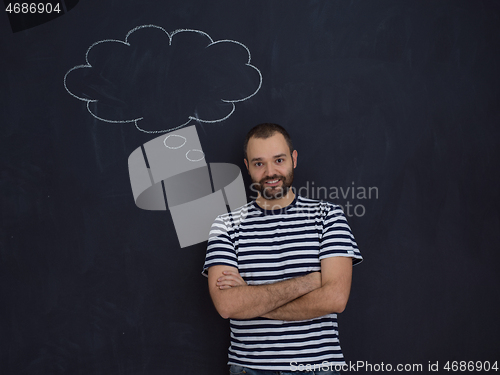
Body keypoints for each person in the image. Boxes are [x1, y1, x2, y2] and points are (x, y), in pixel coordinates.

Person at [203, 123, 362, 374]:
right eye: (259, 163)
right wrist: (308, 283)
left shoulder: (328, 217)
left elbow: (335, 299)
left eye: (279, 160)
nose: (270, 172)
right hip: (250, 369)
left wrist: (251, 300)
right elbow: (227, 306)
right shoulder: (225, 225)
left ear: (294, 159)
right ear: (247, 167)